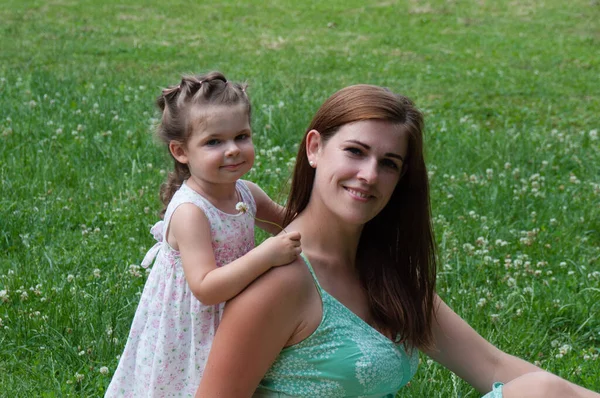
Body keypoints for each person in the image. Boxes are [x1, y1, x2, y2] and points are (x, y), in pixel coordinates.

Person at [196, 84, 599, 397]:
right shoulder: (280, 281)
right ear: (315, 148)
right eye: (355, 152)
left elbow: (492, 366)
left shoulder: (385, 274)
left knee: (538, 390)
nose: (369, 175)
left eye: (388, 163)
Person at [106, 72, 301, 397]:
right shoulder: (190, 212)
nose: (233, 150)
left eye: (242, 136)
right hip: (190, 327)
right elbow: (206, 288)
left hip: (233, 315)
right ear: (181, 151)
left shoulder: (246, 193)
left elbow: (290, 222)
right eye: (214, 142)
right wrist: (267, 255)